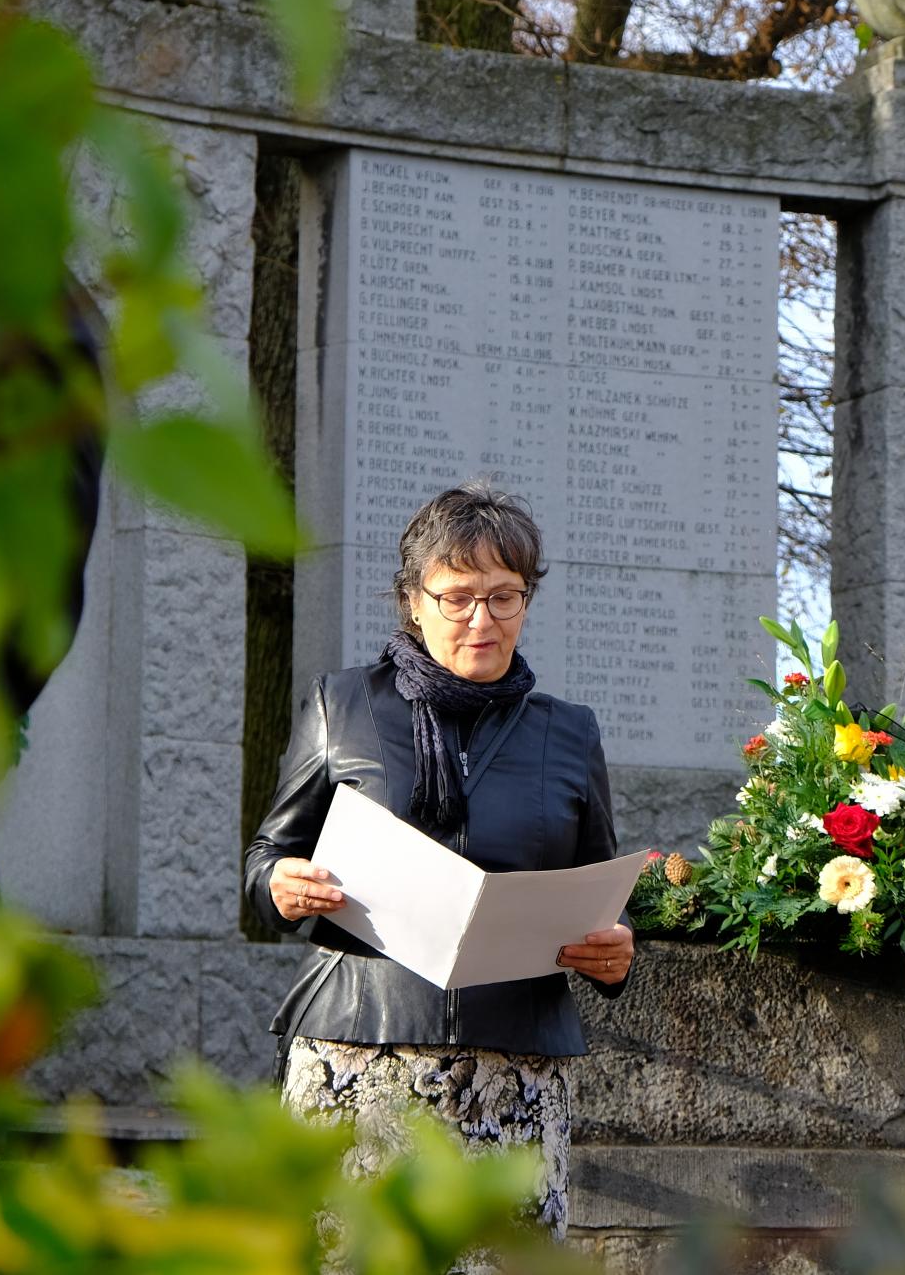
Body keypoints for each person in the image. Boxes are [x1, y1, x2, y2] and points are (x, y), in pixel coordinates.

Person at [244, 480, 634, 1241]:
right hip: (359, 1055)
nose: (481, 620)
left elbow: (599, 897)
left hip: (514, 1076)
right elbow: (267, 857)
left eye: (504, 596)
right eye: (456, 597)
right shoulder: (342, 705)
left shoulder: (571, 733)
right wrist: (279, 884)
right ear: (413, 601)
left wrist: (614, 956)